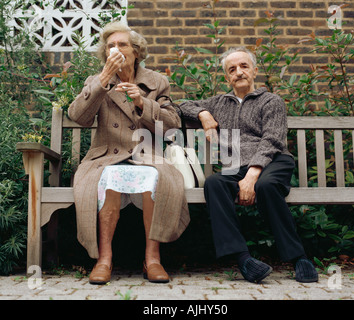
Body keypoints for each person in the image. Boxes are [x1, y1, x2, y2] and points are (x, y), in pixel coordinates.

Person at [180, 47, 318, 283]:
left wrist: (252, 175)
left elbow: (272, 139)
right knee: (214, 183)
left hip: (274, 161)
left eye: (244, 66)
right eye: (232, 69)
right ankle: (243, 259)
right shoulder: (219, 103)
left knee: (265, 186)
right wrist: (203, 113)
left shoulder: (271, 101)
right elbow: (179, 106)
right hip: (237, 167)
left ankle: (299, 258)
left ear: (254, 71)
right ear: (227, 78)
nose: (239, 72)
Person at [68, 21, 190, 285]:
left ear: (136, 51)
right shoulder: (97, 81)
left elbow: (171, 126)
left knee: (154, 176)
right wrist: (101, 82)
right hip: (106, 155)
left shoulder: (157, 82)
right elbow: (78, 117)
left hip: (146, 154)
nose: (116, 49)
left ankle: (153, 259)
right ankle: (104, 260)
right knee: (109, 176)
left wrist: (141, 102)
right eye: (110, 46)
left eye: (122, 44)